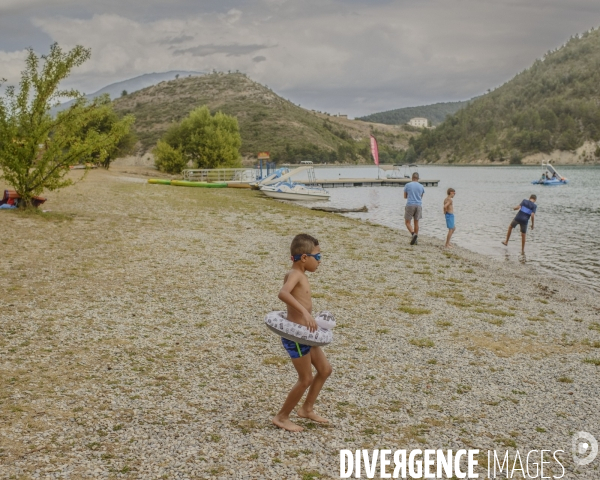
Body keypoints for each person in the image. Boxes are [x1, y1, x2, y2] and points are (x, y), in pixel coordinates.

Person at [272, 234, 332, 432]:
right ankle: (281, 417)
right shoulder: (295, 275)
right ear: (304, 258)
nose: (320, 261)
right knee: (305, 378)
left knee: (325, 370)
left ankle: (307, 409)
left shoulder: (300, 275)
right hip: (296, 337)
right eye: (319, 256)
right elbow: (283, 293)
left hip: (307, 334)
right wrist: (305, 312)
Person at [403, 172, 425, 245]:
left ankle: (413, 234)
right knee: (416, 222)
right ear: (418, 179)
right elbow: (421, 196)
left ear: (412, 178)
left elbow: (405, 196)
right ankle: (416, 240)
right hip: (418, 205)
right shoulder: (421, 186)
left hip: (410, 204)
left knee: (407, 222)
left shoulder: (407, 185)